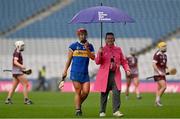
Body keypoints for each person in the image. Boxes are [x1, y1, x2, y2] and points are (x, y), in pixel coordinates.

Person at [60, 28, 95, 116]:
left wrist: (87, 48)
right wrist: (65, 71)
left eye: (84, 34)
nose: (82, 36)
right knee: (78, 91)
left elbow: (93, 58)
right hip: (75, 72)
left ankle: (78, 104)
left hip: (85, 73)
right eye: (81, 34)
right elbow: (69, 60)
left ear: (86, 35)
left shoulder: (90, 46)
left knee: (86, 92)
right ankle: (78, 110)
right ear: (78, 35)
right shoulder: (73, 46)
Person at [94, 32, 131, 117]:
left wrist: (127, 69)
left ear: (114, 39)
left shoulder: (118, 49)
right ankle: (102, 111)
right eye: (108, 38)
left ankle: (116, 111)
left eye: (111, 38)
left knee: (117, 91)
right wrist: (99, 53)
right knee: (104, 93)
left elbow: (124, 61)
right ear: (105, 40)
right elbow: (97, 62)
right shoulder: (102, 49)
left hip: (115, 74)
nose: (110, 40)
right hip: (105, 75)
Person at [5, 40, 33, 105]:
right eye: (22, 46)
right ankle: (26, 100)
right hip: (18, 72)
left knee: (14, 87)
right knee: (26, 84)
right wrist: (22, 66)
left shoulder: (17, 52)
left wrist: (23, 70)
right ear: (18, 46)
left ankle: (8, 99)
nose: (23, 47)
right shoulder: (17, 52)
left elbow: (14, 62)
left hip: (16, 72)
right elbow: (15, 62)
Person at [153, 41, 168, 107]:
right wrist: (159, 72)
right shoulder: (157, 54)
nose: (165, 47)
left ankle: (157, 102)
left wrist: (167, 70)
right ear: (160, 47)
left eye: (165, 46)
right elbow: (153, 64)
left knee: (159, 88)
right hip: (158, 74)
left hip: (162, 74)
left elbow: (164, 65)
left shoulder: (165, 55)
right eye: (163, 46)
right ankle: (157, 100)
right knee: (164, 87)